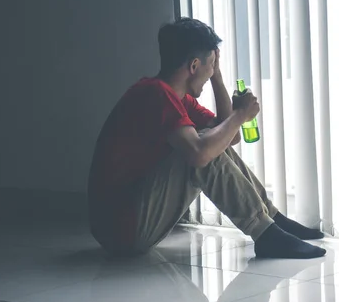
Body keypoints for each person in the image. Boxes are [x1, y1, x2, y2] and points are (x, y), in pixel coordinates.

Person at [87, 17, 326, 259]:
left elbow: (227, 137)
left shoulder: (178, 98)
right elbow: (201, 153)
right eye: (210, 64)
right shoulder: (155, 94)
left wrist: (216, 76)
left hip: (133, 221)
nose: (212, 69)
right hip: (121, 229)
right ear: (193, 66)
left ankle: (271, 220)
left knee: (210, 141)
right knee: (199, 149)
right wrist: (241, 114)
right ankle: (266, 233)